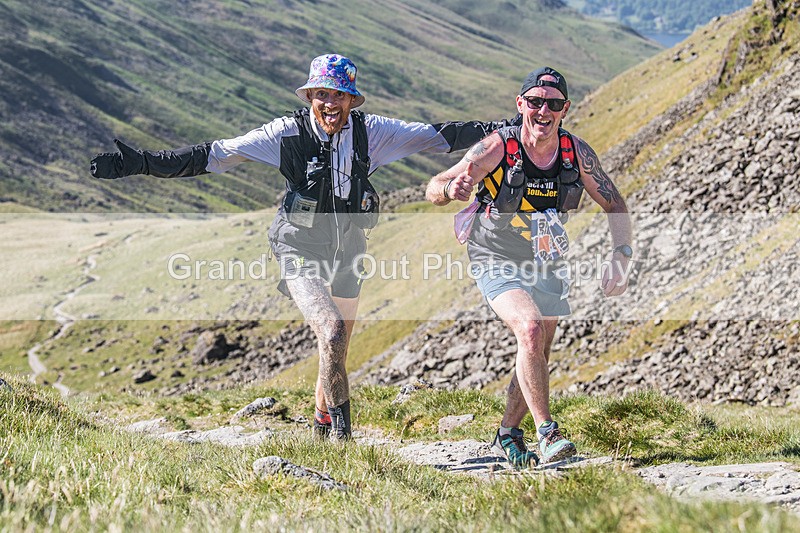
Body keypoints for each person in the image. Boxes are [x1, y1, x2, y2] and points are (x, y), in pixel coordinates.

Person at [90, 54, 508, 442]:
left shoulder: (373, 132)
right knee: (331, 328)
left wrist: (513, 129)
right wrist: (139, 163)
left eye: (338, 95)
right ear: (309, 96)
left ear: (351, 100)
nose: (329, 104)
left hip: (349, 246)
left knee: (337, 347)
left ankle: (321, 427)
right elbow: (213, 155)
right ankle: (345, 443)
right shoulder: (284, 134)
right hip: (297, 246)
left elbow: (441, 136)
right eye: (321, 94)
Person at [426, 67, 632, 468]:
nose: (543, 111)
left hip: (547, 258)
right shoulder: (495, 148)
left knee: (536, 347)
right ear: (520, 105)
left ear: (565, 109)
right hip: (494, 254)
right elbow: (435, 185)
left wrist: (620, 255)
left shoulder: (576, 153)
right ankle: (548, 433)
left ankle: (508, 432)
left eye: (553, 104)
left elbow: (615, 203)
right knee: (530, 327)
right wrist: (451, 190)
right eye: (535, 102)